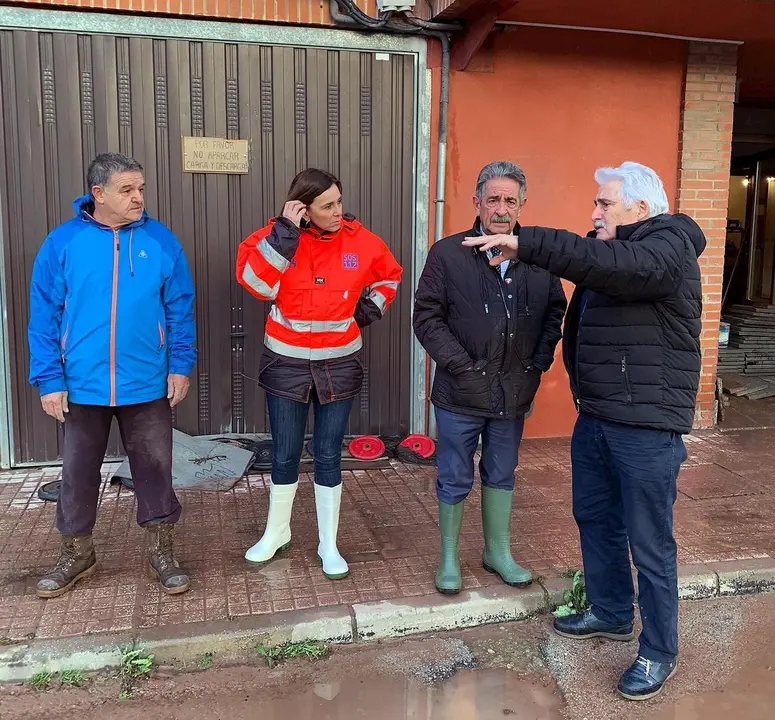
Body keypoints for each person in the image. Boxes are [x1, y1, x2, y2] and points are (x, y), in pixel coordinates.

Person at [463, 161, 706, 701]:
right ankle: (612, 611)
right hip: (597, 417)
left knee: (650, 542)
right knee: (596, 519)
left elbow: (613, 266)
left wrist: (526, 243)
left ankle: (659, 650)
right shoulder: (614, 252)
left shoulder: (667, 247)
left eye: (605, 203)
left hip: (645, 426)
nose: (594, 211)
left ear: (640, 208)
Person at [28, 152, 197, 598]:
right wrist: (49, 379)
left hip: (147, 381)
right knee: (77, 471)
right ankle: (77, 554)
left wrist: (180, 365)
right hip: (81, 383)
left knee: (155, 468)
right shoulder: (63, 243)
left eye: (141, 188)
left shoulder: (160, 241)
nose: (138, 197)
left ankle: (162, 551)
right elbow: (44, 316)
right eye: (127, 190)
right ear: (98, 194)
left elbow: (180, 309)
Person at [236, 168, 402, 580]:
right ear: (303, 208)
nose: (337, 212)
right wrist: (284, 236)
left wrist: (368, 310)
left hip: (338, 364)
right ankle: (276, 532)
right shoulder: (272, 239)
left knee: (328, 453)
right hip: (286, 363)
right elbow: (255, 284)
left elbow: (390, 276)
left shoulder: (362, 241)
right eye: (327, 206)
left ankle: (329, 543)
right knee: (285, 452)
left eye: (339, 202)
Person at [412, 161, 567, 596]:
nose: (501, 209)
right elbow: (426, 317)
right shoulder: (448, 254)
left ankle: (497, 551)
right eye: (493, 199)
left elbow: (555, 311)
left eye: (510, 200)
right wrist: (461, 365)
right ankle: (448, 557)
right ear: (477, 201)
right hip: (460, 391)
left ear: (522, 204)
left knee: (501, 471)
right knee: (454, 474)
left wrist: (537, 363)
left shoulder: (537, 257)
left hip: (513, 390)